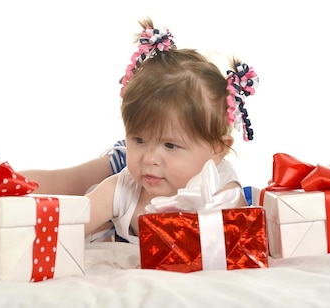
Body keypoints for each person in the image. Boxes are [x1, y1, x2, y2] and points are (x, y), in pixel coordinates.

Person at [23, 18, 258, 243]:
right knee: (67, 183)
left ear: (217, 150)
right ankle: (4, 182)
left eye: (170, 145)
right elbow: (66, 226)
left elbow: (221, 246)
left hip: (132, 169)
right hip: (121, 162)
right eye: (139, 138)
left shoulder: (222, 194)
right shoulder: (121, 185)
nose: (150, 159)